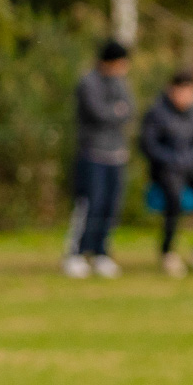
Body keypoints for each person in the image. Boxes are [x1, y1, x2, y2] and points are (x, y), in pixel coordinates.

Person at [139, 71, 193, 277]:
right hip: (166, 169)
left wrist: (192, 158)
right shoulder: (156, 113)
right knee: (174, 198)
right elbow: (148, 145)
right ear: (172, 91)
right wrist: (171, 159)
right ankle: (168, 251)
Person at [64, 40, 133, 279]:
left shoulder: (121, 83)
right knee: (90, 204)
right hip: (92, 153)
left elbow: (129, 110)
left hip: (117, 155)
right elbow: (99, 113)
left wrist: (115, 112)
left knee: (110, 206)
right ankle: (77, 253)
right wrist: (116, 111)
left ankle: (102, 252)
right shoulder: (88, 82)